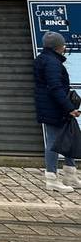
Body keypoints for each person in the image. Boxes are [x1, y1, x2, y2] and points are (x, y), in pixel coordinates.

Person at [33, 31, 80, 192]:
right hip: (54, 108)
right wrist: (70, 107)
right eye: (63, 44)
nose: (65, 47)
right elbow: (55, 87)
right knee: (53, 142)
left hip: (52, 106)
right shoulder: (52, 63)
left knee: (68, 138)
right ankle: (51, 178)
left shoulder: (44, 59)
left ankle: (70, 174)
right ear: (58, 47)